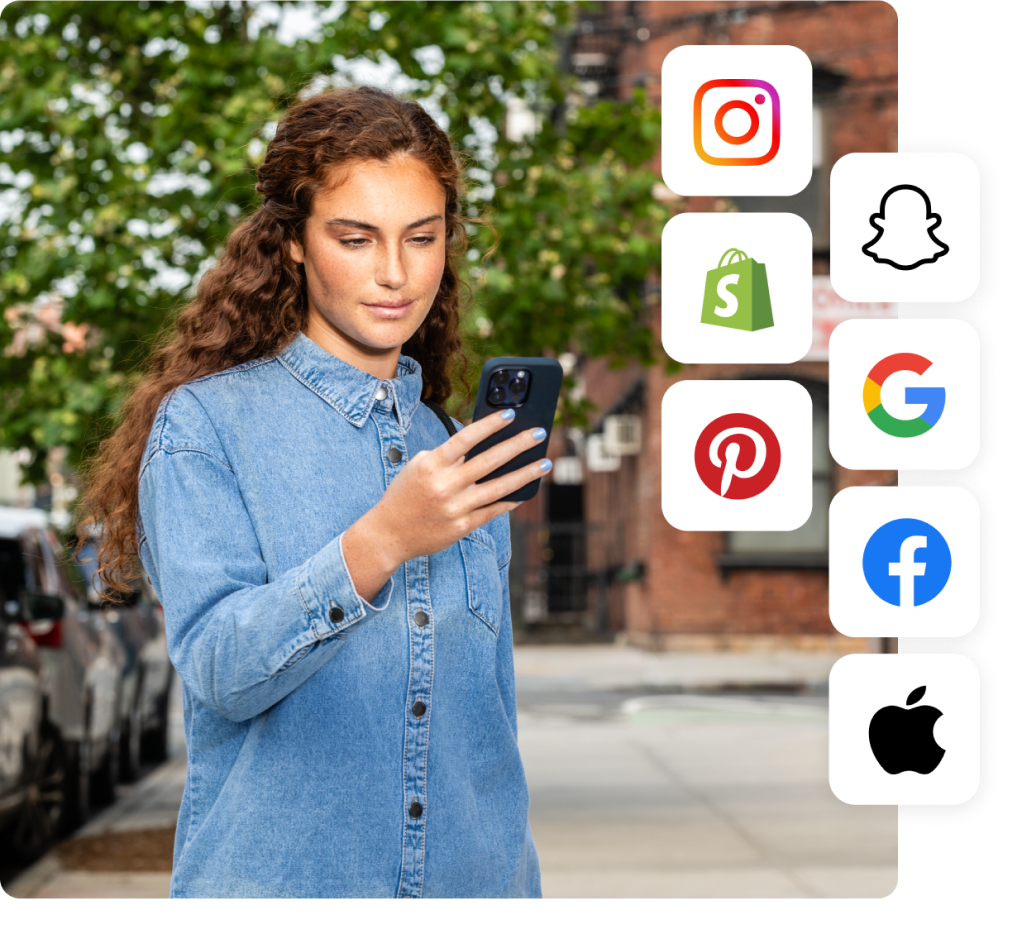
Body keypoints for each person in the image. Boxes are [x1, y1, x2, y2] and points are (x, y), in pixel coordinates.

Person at [78, 85, 545, 899]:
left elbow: (489, 730)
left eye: (423, 237)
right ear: (293, 242)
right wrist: (384, 540)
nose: (395, 273)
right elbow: (221, 669)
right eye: (355, 238)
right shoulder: (205, 426)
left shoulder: (453, 449)